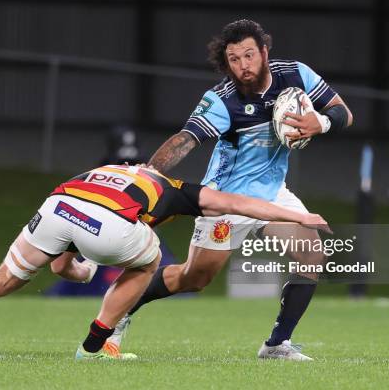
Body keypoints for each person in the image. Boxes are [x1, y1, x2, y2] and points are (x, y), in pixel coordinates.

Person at [0, 164, 329, 360]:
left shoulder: (110, 170)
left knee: (2, 277)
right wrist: (299, 216)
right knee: (150, 260)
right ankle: (95, 346)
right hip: (109, 222)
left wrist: (80, 269)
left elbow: (61, 265)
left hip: (60, 203)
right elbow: (239, 202)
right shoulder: (174, 188)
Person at [105, 19, 353, 361]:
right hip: (226, 201)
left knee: (311, 252)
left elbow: (343, 112)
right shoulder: (222, 100)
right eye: (234, 59)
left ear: (264, 52)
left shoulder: (296, 75)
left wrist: (321, 122)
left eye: (249, 55)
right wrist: (146, 177)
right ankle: (118, 315)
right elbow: (185, 140)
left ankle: (276, 345)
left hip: (272, 194)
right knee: (193, 278)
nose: (243, 66)